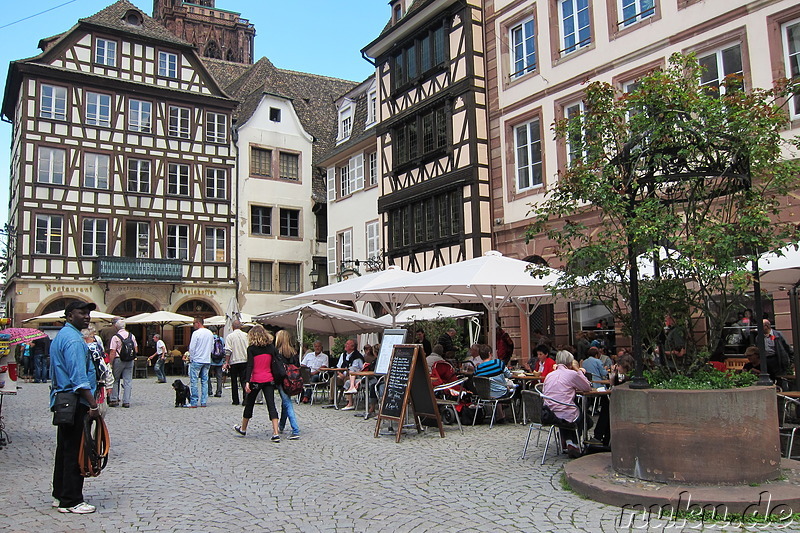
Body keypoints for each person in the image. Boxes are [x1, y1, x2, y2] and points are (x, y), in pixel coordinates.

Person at [50, 301, 100, 514]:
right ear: (70, 316)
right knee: (76, 450)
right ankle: (71, 500)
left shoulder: (62, 336)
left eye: (88, 313)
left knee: (64, 448)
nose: (87, 316)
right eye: (82, 313)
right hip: (75, 400)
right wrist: (93, 403)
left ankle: (60, 493)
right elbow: (79, 378)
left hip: (63, 399)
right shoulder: (73, 341)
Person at [233, 325, 281, 442]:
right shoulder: (271, 348)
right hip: (269, 379)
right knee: (271, 405)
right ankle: (275, 432)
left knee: (249, 404)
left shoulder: (251, 349)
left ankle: (243, 428)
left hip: (256, 379)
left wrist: (247, 381)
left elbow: (250, 365)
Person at [541, 350, 591, 458]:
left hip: (549, 413)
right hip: (565, 412)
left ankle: (568, 441)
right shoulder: (571, 374)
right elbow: (587, 387)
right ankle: (573, 442)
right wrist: (578, 370)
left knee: (566, 409)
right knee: (584, 418)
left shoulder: (549, 375)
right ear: (570, 362)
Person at [474, 344, 515, 422]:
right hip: (501, 393)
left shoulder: (477, 369)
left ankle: (500, 416)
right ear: (490, 353)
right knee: (512, 388)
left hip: (485, 395)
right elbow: (508, 375)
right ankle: (515, 415)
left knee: (496, 387)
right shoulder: (497, 363)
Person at [274, 330, 300, 440]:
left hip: (282, 381)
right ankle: (281, 425)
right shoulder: (293, 352)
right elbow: (298, 366)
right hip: (293, 381)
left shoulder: (277, 353)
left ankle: (295, 429)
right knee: (285, 402)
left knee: (287, 403)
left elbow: (277, 370)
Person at [108, 316, 138, 408]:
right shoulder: (131, 336)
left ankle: (114, 399)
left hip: (118, 359)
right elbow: (136, 349)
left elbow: (112, 351)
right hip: (129, 360)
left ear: (116, 327)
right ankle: (126, 401)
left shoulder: (115, 337)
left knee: (115, 379)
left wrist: (110, 363)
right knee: (128, 381)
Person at [188, 317, 214, 408]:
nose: (193, 325)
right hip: (206, 360)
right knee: (204, 381)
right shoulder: (210, 333)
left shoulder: (196, 333)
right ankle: (203, 401)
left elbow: (192, 348)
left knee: (194, 381)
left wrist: (191, 358)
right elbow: (212, 348)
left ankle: (194, 401)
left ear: (198, 323)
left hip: (197, 360)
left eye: (194, 323)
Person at [224, 320, 249, 405]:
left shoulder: (230, 336)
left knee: (234, 381)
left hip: (234, 361)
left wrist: (226, 362)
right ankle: (245, 398)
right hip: (245, 360)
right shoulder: (246, 336)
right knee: (244, 380)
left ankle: (235, 400)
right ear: (241, 326)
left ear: (232, 327)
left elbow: (228, 350)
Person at [337, 339, 363, 411]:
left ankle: (348, 401)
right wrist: (339, 373)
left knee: (347, 380)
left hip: (354, 376)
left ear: (353, 347)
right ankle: (333, 400)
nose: (345, 345)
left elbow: (362, 368)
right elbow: (338, 367)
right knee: (334, 379)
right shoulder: (343, 355)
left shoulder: (358, 357)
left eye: (347, 344)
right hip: (342, 374)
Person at [209, 328, 225, 397]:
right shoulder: (221, 339)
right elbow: (223, 348)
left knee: (207, 376)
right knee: (219, 377)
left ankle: (209, 390)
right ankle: (219, 392)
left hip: (211, 360)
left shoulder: (209, 338)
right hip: (219, 361)